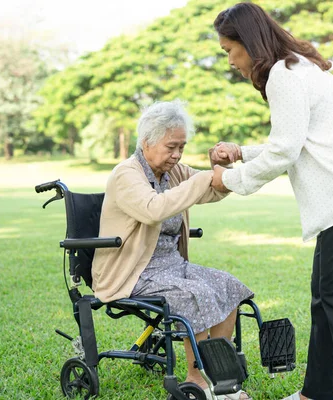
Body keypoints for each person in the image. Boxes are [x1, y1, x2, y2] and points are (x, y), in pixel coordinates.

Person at [210, 3, 333, 400]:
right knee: (325, 300)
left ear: (249, 43)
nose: (230, 61)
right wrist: (241, 153)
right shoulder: (294, 68)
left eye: (229, 50)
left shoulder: (284, 76)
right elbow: (295, 140)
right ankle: (315, 393)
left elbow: (285, 151)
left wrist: (229, 180)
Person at [92, 100, 254, 400]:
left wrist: (221, 170)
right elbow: (154, 209)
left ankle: (223, 379)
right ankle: (198, 380)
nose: (177, 154)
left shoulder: (173, 172)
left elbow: (212, 189)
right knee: (198, 294)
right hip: (135, 272)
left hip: (172, 265)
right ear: (147, 142)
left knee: (230, 287)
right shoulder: (126, 174)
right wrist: (205, 178)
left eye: (182, 146)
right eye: (171, 147)